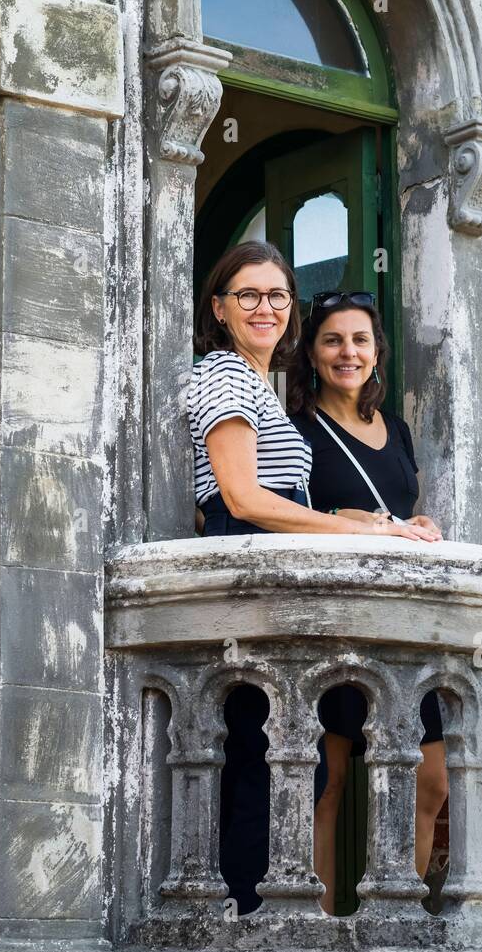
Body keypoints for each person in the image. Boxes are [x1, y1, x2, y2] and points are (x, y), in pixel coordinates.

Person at [184, 241, 438, 915]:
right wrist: (362, 533)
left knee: (288, 765)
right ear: (219, 307)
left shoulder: (252, 381)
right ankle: (245, 929)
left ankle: (267, 922)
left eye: (276, 296)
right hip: (251, 582)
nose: (264, 307)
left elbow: (281, 501)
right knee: (263, 769)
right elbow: (240, 500)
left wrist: (371, 522)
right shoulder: (227, 376)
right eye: (248, 295)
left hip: (275, 577)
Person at [287, 290, 449, 899]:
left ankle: (393, 915)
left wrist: (421, 525)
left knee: (429, 781)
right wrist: (345, 517)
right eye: (332, 340)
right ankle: (320, 927)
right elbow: (279, 513)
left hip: (402, 624)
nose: (347, 352)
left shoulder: (398, 431)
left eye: (359, 340)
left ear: (377, 352)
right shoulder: (294, 428)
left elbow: (399, 510)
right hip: (332, 618)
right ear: (312, 353)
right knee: (323, 783)